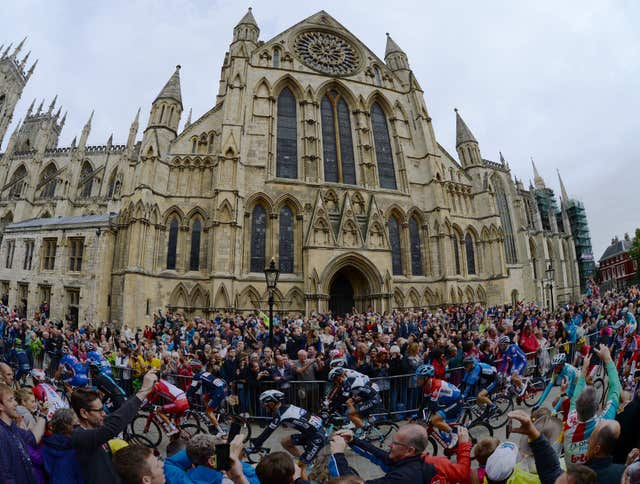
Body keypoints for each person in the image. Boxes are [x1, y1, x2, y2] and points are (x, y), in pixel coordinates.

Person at [69, 369, 158, 484]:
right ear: (84, 413)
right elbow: (113, 426)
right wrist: (143, 391)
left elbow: (118, 414)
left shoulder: (95, 425)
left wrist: (142, 390)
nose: (104, 413)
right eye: (99, 410)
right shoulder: (79, 436)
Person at [564, 346, 620, 465]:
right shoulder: (602, 423)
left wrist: (584, 369)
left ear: (577, 407)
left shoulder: (570, 420)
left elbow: (576, 393)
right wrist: (608, 359)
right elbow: (615, 390)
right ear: (597, 408)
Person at [329, 424, 439, 483]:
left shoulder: (403, 477)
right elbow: (378, 455)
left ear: (410, 450)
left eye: (395, 443)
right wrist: (353, 440)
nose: (390, 445)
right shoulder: (412, 460)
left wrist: (337, 455)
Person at [250, 389, 324, 468]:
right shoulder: (287, 407)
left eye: (265, 405)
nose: (264, 407)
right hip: (312, 433)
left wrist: (256, 444)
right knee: (285, 442)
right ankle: (307, 461)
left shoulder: (281, 415)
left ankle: (305, 463)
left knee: (300, 469)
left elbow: (267, 432)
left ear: (271, 404)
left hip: (317, 438)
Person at [164, 433, 258, 484]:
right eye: (223, 450)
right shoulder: (245, 476)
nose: (226, 452)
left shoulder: (184, 478)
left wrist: (194, 448)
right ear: (212, 461)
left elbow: (169, 463)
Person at [0, 382, 46, 483]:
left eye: (14, 399)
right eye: (10, 400)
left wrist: (43, 415)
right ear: (1, 406)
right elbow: (5, 476)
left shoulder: (12, 427)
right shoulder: (1, 434)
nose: (16, 403)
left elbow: (32, 439)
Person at [416, 364, 462, 448]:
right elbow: (424, 402)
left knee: (434, 420)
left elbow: (431, 406)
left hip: (456, 401)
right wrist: (418, 415)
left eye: (419, 377)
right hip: (449, 402)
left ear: (426, 378)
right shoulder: (426, 386)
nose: (417, 380)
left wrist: (425, 420)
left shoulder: (436, 385)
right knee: (440, 424)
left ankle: (454, 435)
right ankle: (454, 443)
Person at [326, 367, 381, 431]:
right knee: (350, 409)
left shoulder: (348, 382)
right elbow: (342, 396)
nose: (335, 382)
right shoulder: (346, 380)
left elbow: (343, 398)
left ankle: (364, 429)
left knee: (351, 414)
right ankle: (361, 427)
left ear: (338, 377)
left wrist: (332, 407)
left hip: (373, 400)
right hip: (368, 398)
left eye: (335, 380)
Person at [41, 408, 84, 484]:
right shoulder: (75, 447)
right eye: (76, 426)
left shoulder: (45, 446)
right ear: (66, 426)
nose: (79, 428)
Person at [186, 359, 227, 436]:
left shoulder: (197, 376)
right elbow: (198, 386)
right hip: (220, 389)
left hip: (218, 391)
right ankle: (210, 418)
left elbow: (192, 388)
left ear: (195, 367)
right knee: (204, 398)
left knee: (208, 411)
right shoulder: (204, 373)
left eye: (192, 367)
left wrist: (187, 395)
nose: (191, 368)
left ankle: (221, 431)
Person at [583, 420, 625, 484]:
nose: (588, 440)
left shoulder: (581, 475)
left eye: (591, 438)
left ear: (596, 449)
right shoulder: (623, 473)